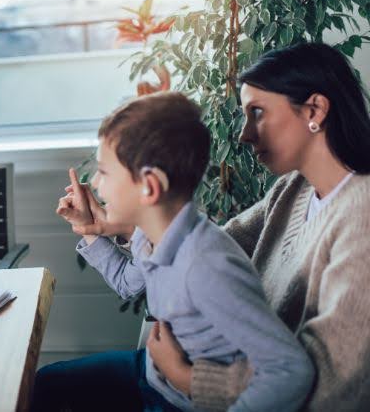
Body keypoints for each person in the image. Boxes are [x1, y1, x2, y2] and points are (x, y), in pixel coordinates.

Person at [56, 42, 370, 411]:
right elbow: (202, 246)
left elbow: (330, 384)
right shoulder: (295, 187)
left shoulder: (361, 218)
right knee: (45, 386)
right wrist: (122, 224)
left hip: (202, 384)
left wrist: (187, 377)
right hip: (170, 372)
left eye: (257, 113)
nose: (244, 135)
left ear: (314, 110)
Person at [32, 92, 314, 412]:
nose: (95, 183)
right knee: (45, 384)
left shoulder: (207, 267)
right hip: (152, 373)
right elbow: (127, 283)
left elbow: (290, 372)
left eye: (105, 172)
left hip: (178, 401)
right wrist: (94, 232)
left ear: (149, 187)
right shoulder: (152, 235)